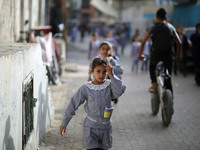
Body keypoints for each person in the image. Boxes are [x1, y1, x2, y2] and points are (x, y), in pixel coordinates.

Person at [60, 57, 126, 150]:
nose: (101, 75)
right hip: (91, 129)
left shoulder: (109, 85)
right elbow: (73, 103)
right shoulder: (86, 88)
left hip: (106, 129)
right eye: (98, 71)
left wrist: (112, 75)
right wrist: (64, 122)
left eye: (104, 72)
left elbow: (120, 91)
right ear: (92, 71)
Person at [137, 8, 181, 113]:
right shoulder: (171, 27)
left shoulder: (152, 27)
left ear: (156, 18)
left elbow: (143, 42)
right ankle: (171, 104)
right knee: (168, 78)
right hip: (168, 55)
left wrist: (139, 55)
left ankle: (154, 83)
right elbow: (179, 43)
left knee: (152, 67)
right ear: (166, 18)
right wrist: (178, 56)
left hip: (156, 54)